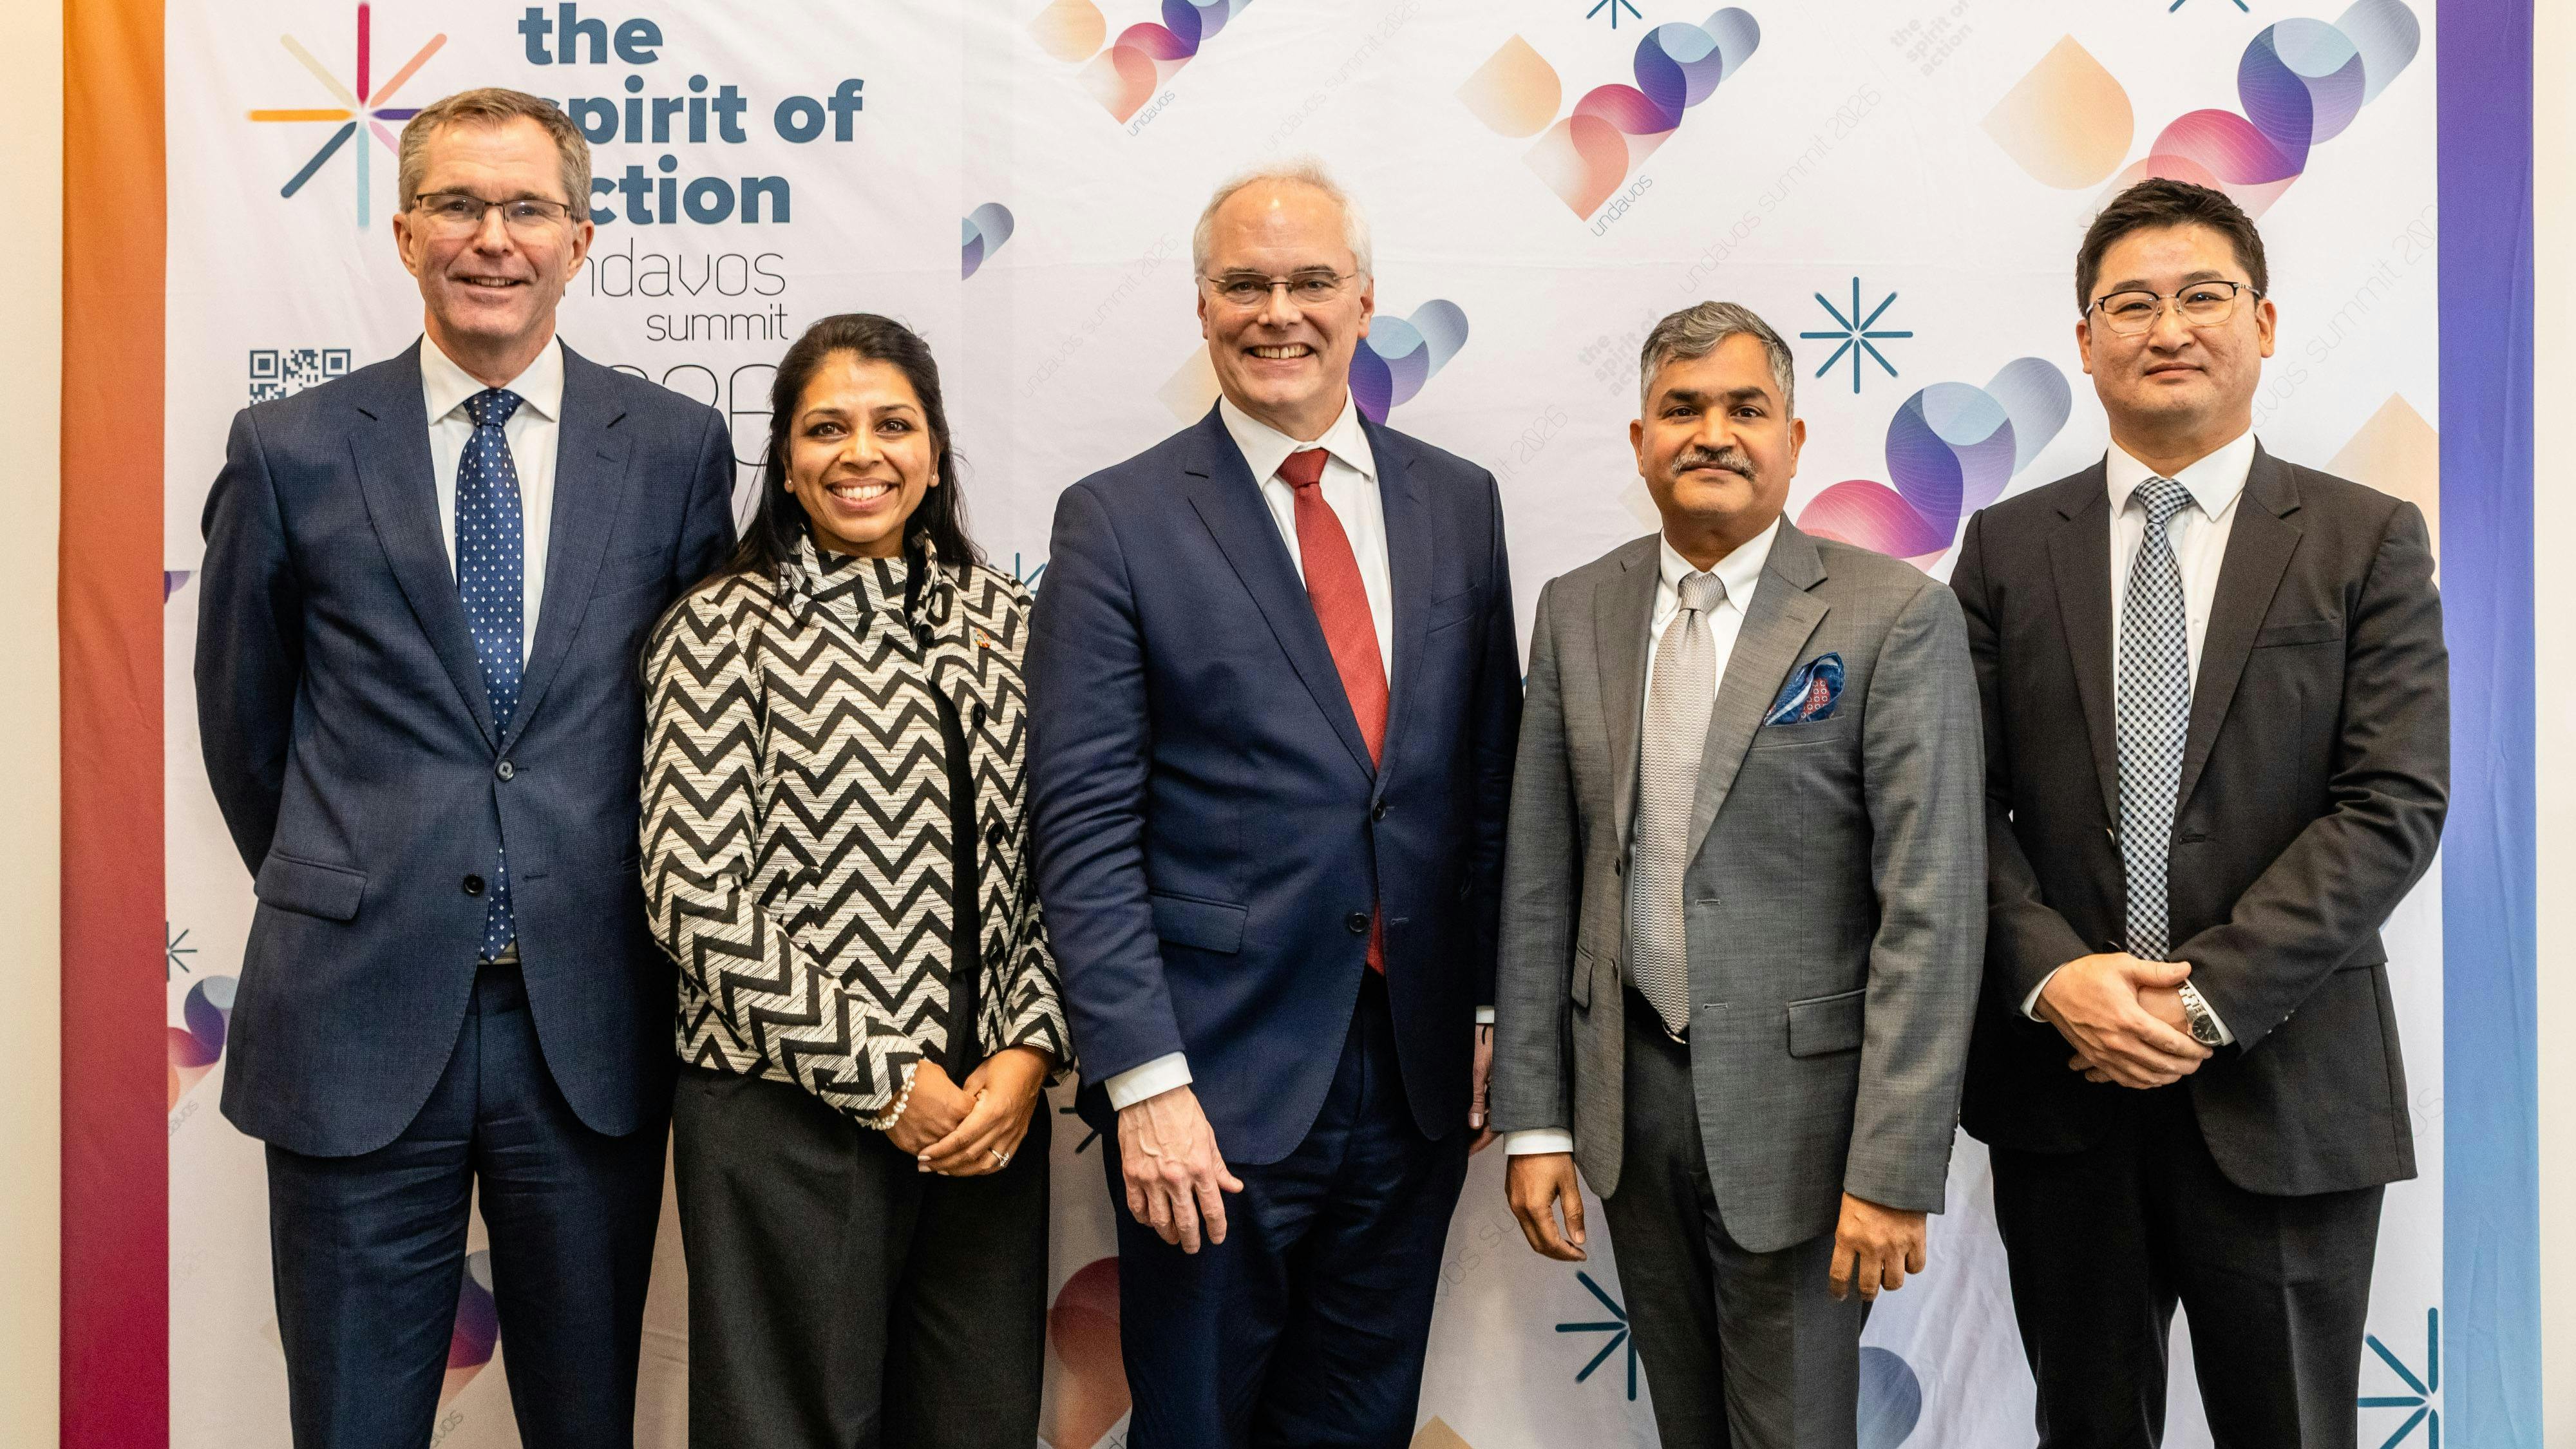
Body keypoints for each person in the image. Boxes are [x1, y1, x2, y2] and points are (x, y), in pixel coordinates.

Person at [194, 88, 734, 1447]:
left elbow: (700, 729)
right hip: (354, 1018)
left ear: (581, 236)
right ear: (403, 230)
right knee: (356, 1422)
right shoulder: (292, 448)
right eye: (458, 204)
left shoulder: (671, 450)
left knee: (582, 1418)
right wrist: (362, 874)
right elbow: (243, 726)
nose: (492, 237)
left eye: (527, 208)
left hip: (591, 1019)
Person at [1026, 160, 1521, 1447]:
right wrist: (1142, 1083)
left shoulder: (1457, 505)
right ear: (1200, 309)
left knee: (1357, 1425)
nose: (1276, 310)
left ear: (1363, 302)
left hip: (1412, 1087)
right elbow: (1079, 830)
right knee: (1192, 1425)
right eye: (1242, 284)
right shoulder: (1118, 520)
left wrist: (1479, 1006)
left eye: (1308, 281)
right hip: (1209, 1089)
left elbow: (1482, 789)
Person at [1951, 177, 2449, 1447]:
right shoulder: (2004, 549)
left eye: (2199, 296)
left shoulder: (2361, 539)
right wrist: (2054, 976)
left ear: (2264, 324)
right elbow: (1953, 802)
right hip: (2063, 1083)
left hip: (2285, 1085)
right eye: (2128, 302)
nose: (2164, 326)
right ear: (2082, 343)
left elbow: (2389, 800)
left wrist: (2200, 994)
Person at [1492, 301, 1985, 1449]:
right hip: (1629, 1105)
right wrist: (1534, 1120)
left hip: (1811, 1128)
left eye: (1745, 408)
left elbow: (1934, 907)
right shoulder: (1577, 610)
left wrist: (1895, 1162)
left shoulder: (1892, 614)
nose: (1712, 432)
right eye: (1682, 408)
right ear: (1639, 439)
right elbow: (1537, 881)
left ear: (1796, 439)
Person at [641, 312, 1068, 1449]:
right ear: (785, 458)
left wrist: (1025, 1055)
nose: (861, 453)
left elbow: (1057, 864)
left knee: (979, 1422)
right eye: (827, 427)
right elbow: (690, 889)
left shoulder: (1009, 624)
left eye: (893, 424)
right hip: (784, 1116)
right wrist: (884, 1077)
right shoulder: (721, 629)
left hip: (987, 1118)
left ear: (935, 449)